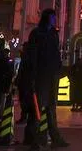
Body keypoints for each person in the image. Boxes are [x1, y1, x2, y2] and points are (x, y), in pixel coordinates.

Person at [25, 9, 68, 148]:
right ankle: (34, 139)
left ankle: (55, 137)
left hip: (51, 75)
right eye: (53, 17)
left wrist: (58, 68)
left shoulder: (53, 34)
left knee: (51, 107)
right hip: (40, 75)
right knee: (37, 109)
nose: (55, 19)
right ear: (47, 18)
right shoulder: (37, 33)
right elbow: (33, 55)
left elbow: (56, 53)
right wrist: (32, 74)